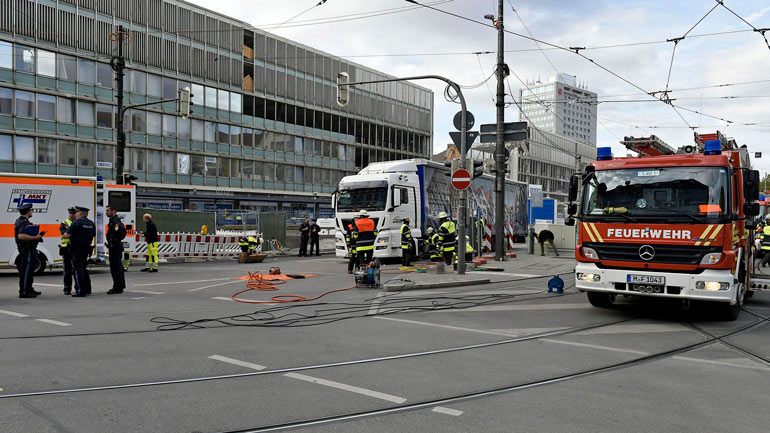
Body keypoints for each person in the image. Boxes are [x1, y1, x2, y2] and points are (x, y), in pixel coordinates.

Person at [14, 203, 45, 298]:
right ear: (28, 211)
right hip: (26, 250)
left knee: (29, 271)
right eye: (31, 210)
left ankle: (29, 288)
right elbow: (21, 236)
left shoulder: (22, 221)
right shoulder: (23, 222)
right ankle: (24, 291)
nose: (32, 212)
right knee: (26, 271)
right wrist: (36, 237)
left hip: (28, 249)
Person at [64, 206, 96, 297]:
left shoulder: (76, 223)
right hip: (86, 249)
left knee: (77, 270)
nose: (75, 214)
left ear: (80, 213)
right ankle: (87, 289)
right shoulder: (91, 223)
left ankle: (80, 290)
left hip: (76, 249)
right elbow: (93, 234)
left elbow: (67, 235)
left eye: (76, 212)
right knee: (84, 269)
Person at [106, 205, 127, 294]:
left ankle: (117, 287)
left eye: (108, 210)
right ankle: (120, 285)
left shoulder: (115, 221)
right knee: (118, 267)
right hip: (115, 246)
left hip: (115, 246)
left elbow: (120, 232)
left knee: (115, 268)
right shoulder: (114, 220)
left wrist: (114, 239)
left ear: (113, 211)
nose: (107, 212)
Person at [59, 206, 77, 295]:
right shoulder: (64, 223)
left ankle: (78, 288)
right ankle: (67, 288)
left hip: (75, 249)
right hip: (66, 249)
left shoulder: (78, 222)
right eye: (70, 213)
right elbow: (65, 234)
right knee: (67, 270)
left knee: (76, 270)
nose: (71, 215)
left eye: (73, 213)